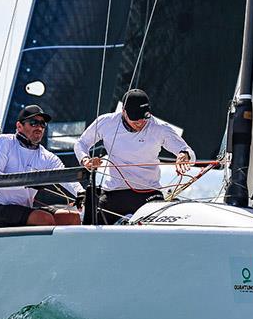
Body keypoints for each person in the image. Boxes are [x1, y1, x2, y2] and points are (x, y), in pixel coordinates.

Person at [74, 89, 195, 224]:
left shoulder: (159, 128)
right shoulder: (107, 122)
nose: (140, 123)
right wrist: (85, 160)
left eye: (144, 118)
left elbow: (186, 150)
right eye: (135, 119)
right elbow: (81, 143)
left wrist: (183, 155)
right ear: (124, 112)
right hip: (115, 191)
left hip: (148, 192)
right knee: (92, 222)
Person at [0, 105, 82, 228]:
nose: (39, 127)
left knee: (72, 218)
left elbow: (65, 176)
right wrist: (28, 183)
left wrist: (81, 193)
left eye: (42, 124)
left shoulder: (47, 156)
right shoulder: (4, 142)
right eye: (33, 123)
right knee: (44, 219)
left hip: (23, 210)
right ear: (19, 126)